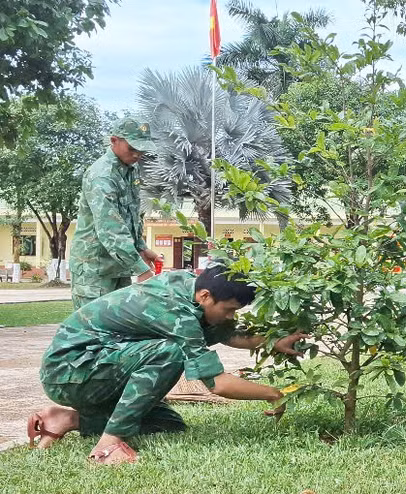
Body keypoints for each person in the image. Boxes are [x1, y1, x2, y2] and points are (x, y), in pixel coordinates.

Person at [27, 266, 306, 465]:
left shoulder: (191, 288)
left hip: (99, 364)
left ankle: (68, 419)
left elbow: (224, 332)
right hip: (69, 370)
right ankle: (109, 442)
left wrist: (272, 342)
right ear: (206, 296)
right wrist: (274, 393)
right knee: (170, 352)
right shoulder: (176, 312)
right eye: (230, 309)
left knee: (167, 424)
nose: (232, 316)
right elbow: (217, 384)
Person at [70, 118, 161, 309]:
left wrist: (141, 248)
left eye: (142, 149)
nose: (137, 154)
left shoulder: (129, 171)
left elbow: (131, 217)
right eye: (132, 148)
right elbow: (110, 228)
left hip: (119, 268)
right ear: (114, 141)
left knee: (119, 330)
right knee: (94, 332)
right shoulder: (102, 175)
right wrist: (140, 269)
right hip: (95, 270)